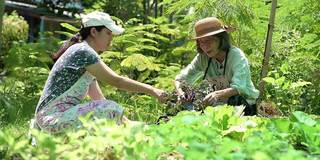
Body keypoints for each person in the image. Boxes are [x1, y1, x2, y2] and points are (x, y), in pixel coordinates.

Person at [33, 11, 167, 134]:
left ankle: (149, 130)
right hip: (51, 118)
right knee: (109, 109)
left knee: (107, 110)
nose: (111, 38)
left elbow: (99, 99)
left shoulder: (84, 58)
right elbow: (117, 81)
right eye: (108, 33)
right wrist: (152, 90)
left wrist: (130, 123)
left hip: (55, 118)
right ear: (93, 31)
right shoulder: (83, 52)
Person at [174, 17, 259, 115]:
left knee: (234, 99)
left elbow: (239, 87)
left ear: (221, 39)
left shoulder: (237, 56)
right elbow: (180, 79)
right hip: (217, 109)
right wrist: (180, 93)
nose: (205, 46)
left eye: (209, 40)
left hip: (244, 106)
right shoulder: (202, 58)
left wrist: (217, 94)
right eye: (201, 42)